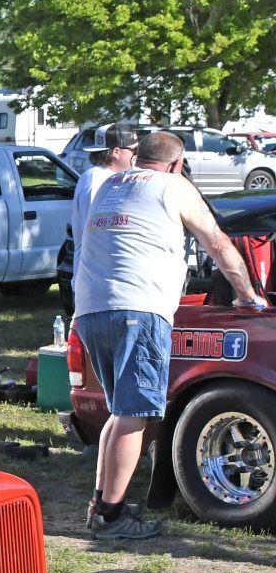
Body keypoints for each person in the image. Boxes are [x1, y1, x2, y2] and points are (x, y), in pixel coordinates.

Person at [73, 130, 268, 539]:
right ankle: (111, 516)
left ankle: (100, 506)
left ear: (137, 155)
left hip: (91, 309)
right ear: (177, 164)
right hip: (138, 309)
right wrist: (249, 296)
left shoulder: (110, 184)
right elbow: (216, 242)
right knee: (136, 414)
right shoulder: (172, 186)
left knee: (119, 413)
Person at [71, 123, 138, 236]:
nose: (137, 154)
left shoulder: (108, 176)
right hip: (96, 253)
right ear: (116, 152)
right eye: (134, 150)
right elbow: (93, 229)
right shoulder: (96, 179)